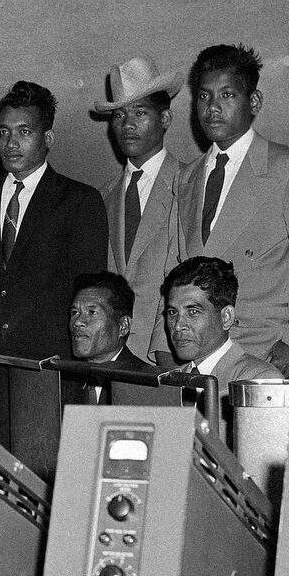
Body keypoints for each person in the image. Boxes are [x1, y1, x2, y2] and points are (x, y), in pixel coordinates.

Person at [174, 43, 289, 377]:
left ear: (254, 102)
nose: (213, 108)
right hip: (193, 360)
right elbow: (174, 268)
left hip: (260, 354)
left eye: (227, 95)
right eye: (204, 97)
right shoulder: (186, 177)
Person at [0, 81, 108, 445]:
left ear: (48, 138)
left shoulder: (79, 201)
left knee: (47, 479)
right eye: (3, 132)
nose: (10, 143)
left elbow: (87, 294)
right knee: (1, 478)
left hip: (51, 369)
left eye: (24, 132)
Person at [93, 56, 187, 364]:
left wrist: (168, 354)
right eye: (119, 115)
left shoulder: (191, 186)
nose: (128, 124)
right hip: (112, 360)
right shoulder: (101, 198)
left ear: (165, 119)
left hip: (170, 357)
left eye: (140, 112)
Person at [162, 256, 282, 393]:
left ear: (226, 317)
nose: (178, 325)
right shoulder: (170, 381)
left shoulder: (261, 381)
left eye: (193, 311)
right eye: (172, 312)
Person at [68, 272, 153, 369]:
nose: (77, 322)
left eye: (92, 312)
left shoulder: (143, 380)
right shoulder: (67, 378)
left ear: (123, 326)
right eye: (75, 312)